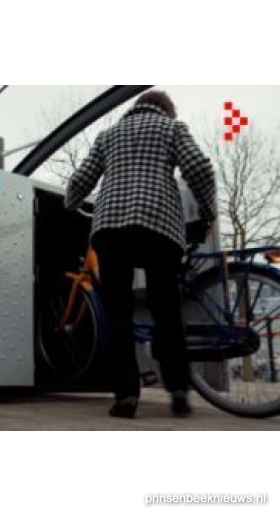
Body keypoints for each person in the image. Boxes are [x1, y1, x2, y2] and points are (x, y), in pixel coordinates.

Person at [64, 90, 217, 418]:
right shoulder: (172, 128)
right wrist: (208, 212)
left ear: (136, 107)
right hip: (160, 226)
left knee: (117, 311)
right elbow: (199, 168)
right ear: (167, 110)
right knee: (166, 309)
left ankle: (126, 396)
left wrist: (71, 203)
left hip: (111, 228)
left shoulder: (108, 135)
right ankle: (178, 390)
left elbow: (81, 180)